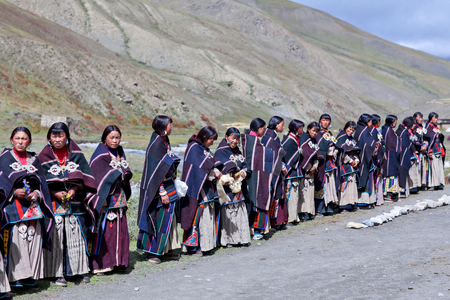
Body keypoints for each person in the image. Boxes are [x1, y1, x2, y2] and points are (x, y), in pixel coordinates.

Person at [39, 122, 96, 286]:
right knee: (57, 238)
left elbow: (85, 176)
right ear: (49, 138)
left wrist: (73, 189)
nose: (57, 139)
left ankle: (77, 271)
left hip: (75, 203)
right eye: (54, 135)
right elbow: (40, 182)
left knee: (76, 235)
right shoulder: (43, 157)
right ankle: (56, 274)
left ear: (67, 137)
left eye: (61, 135)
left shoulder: (76, 154)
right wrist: (54, 193)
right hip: (54, 205)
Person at [0, 127, 54, 291]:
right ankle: (16, 277)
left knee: (34, 238)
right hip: (13, 207)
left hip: (32, 207)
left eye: (24, 139)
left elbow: (41, 184)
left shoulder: (34, 159)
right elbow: (1, 184)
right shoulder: (4, 159)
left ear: (29, 141)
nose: (21, 141)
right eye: (17, 138)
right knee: (18, 239)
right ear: (11, 139)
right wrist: (13, 192)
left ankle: (30, 276)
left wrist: (36, 194)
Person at [136, 116, 181, 263]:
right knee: (156, 218)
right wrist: (161, 191)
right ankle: (152, 252)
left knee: (167, 219)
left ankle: (165, 249)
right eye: (169, 125)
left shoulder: (164, 141)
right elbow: (154, 172)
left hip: (168, 184)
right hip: (158, 190)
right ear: (162, 126)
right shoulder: (156, 145)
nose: (171, 127)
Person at [89, 125, 132, 274]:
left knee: (120, 230)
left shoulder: (120, 153)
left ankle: (119, 262)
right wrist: (101, 198)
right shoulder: (99, 156)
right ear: (105, 138)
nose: (115, 140)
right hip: (106, 199)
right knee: (106, 231)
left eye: (117, 137)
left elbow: (125, 172)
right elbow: (98, 177)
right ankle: (103, 265)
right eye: (111, 137)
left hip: (119, 197)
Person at [180, 126, 222, 255]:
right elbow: (197, 169)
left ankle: (206, 244)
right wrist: (213, 173)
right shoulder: (193, 148)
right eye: (211, 140)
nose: (212, 143)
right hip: (195, 188)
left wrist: (215, 170)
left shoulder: (204, 149)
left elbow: (210, 162)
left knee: (206, 216)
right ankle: (192, 246)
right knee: (195, 216)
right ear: (204, 137)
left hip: (206, 187)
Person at [214, 128, 251, 247]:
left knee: (239, 210)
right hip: (227, 187)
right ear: (226, 137)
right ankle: (228, 239)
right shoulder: (221, 151)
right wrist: (233, 171)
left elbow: (244, 164)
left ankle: (241, 237)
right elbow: (221, 165)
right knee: (229, 212)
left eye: (237, 139)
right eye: (233, 138)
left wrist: (244, 172)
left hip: (238, 188)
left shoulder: (237, 152)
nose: (235, 141)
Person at [241, 118, 275, 240]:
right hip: (254, 175)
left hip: (248, 174)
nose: (264, 131)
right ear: (259, 128)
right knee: (257, 199)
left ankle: (249, 230)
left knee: (251, 200)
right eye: (263, 128)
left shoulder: (246, 139)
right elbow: (261, 154)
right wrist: (271, 152)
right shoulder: (253, 140)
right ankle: (255, 231)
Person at [261, 116, 287, 230]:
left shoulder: (270, 134)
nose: (283, 126)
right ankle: (274, 221)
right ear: (276, 125)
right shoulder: (271, 137)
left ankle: (277, 220)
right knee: (274, 192)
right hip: (272, 170)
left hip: (272, 169)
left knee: (277, 192)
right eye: (282, 124)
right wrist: (281, 166)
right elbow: (274, 155)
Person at [298, 122, 324, 220]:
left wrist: (315, 166)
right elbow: (303, 155)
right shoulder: (304, 139)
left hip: (312, 171)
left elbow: (317, 155)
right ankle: (303, 212)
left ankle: (309, 211)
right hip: (305, 170)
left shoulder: (314, 141)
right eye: (313, 130)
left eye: (317, 131)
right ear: (308, 129)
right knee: (304, 192)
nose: (315, 133)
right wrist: (309, 167)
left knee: (310, 192)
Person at [315, 114, 338, 216]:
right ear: (320, 121)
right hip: (321, 163)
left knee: (329, 185)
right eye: (323, 120)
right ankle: (319, 208)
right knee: (321, 184)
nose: (325, 122)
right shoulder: (318, 133)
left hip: (330, 163)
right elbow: (319, 147)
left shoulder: (330, 134)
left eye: (327, 120)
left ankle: (328, 207)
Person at [281, 119, 304, 224]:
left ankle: (294, 217)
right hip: (290, 173)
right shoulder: (290, 141)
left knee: (294, 195)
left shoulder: (295, 140)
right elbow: (287, 157)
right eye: (301, 128)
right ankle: (289, 218)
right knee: (289, 195)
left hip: (295, 173)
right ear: (295, 129)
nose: (302, 131)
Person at [354, 114, 378, 208]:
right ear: (367, 122)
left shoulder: (361, 129)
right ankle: (363, 202)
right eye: (370, 121)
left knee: (368, 178)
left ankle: (369, 200)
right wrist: (374, 148)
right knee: (364, 178)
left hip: (364, 158)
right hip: (363, 159)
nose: (371, 124)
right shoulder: (363, 131)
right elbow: (367, 145)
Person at [335, 121, 360, 212]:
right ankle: (343, 204)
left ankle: (351, 203)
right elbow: (340, 152)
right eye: (350, 129)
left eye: (353, 130)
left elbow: (356, 151)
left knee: (352, 183)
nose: (351, 131)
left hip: (352, 164)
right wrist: (349, 160)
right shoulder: (341, 138)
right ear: (346, 128)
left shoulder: (352, 140)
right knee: (345, 184)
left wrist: (356, 160)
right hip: (344, 165)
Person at [396, 117, 419, 196]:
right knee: (402, 171)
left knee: (403, 172)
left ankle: (403, 190)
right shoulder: (404, 133)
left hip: (402, 153)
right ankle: (401, 191)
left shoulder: (402, 130)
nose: (414, 126)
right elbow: (404, 146)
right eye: (413, 124)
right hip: (402, 154)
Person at [381, 115, 402, 201]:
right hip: (390, 156)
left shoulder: (384, 129)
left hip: (388, 154)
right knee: (390, 174)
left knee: (388, 175)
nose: (396, 123)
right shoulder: (389, 131)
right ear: (392, 122)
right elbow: (393, 142)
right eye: (395, 121)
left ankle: (389, 194)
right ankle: (388, 194)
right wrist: (399, 139)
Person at [425, 112, 446, 189]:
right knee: (434, 167)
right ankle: (435, 183)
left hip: (438, 150)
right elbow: (427, 139)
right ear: (431, 118)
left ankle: (440, 182)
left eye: (437, 118)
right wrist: (429, 150)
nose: (436, 120)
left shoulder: (435, 127)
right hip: (433, 150)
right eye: (435, 118)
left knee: (439, 167)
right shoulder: (428, 128)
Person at [371, 114, 385, 205]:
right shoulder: (374, 131)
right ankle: (375, 198)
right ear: (378, 121)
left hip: (376, 157)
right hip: (375, 158)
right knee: (375, 178)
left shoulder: (374, 131)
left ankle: (377, 198)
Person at [413, 112, 429, 190]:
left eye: (422, 118)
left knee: (423, 168)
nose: (421, 119)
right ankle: (417, 184)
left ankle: (423, 183)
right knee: (417, 169)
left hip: (423, 150)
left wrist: (425, 145)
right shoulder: (414, 128)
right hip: (417, 151)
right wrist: (420, 146)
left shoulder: (422, 127)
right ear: (415, 118)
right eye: (419, 118)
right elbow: (414, 139)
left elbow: (426, 138)